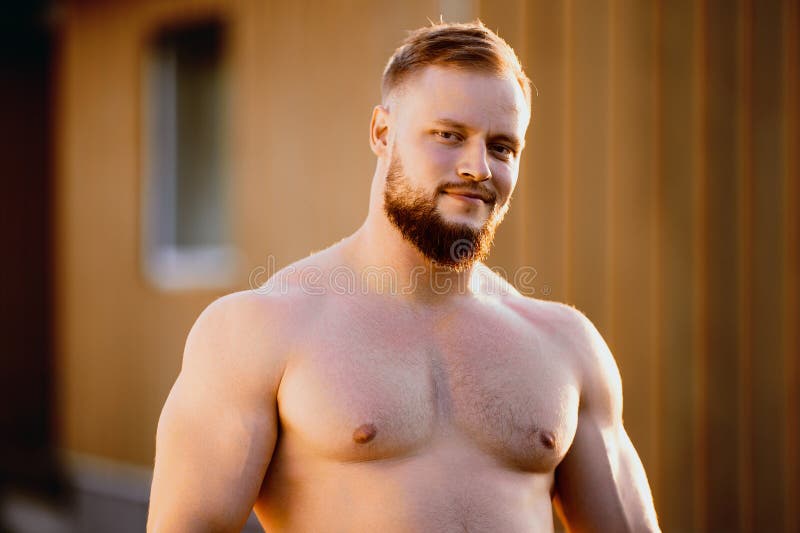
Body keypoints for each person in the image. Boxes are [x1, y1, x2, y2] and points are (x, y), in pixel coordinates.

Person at [147, 20, 660, 532]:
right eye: (449, 135)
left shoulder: (567, 345)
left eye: (502, 146)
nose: (478, 167)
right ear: (382, 133)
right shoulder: (258, 330)